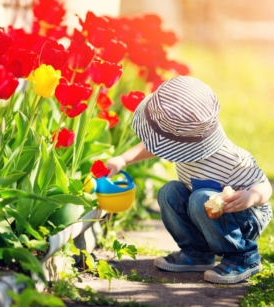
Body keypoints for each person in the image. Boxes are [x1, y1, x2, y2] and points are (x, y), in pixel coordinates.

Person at [105, 75, 273, 284]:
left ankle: (244, 256)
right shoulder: (183, 142)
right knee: (169, 192)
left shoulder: (231, 159)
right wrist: (123, 159)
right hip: (204, 212)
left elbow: (264, 186)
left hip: (244, 217)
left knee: (200, 198)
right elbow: (154, 146)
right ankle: (197, 253)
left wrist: (250, 196)